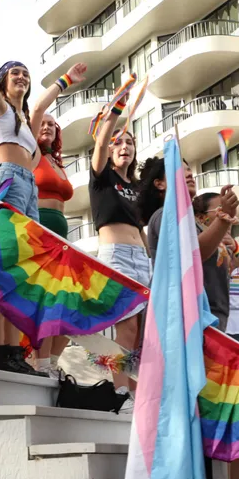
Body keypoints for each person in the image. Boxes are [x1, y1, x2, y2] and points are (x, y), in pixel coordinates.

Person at [0, 0, 86, 374]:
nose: (21, 76)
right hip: (9, 180)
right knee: (5, 266)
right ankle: (1, 350)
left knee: (25, 271)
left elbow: (39, 107)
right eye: (15, 73)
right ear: (3, 83)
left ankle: (15, 350)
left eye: (25, 73)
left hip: (30, 190)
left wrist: (65, 82)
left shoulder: (25, 123)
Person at [89, 92, 149, 398]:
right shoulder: (102, 178)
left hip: (142, 259)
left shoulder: (137, 187)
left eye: (129, 142)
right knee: (126, 328)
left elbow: (142, 227)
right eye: (118, 142)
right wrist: (116, 110)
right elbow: (100, 144)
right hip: (116, 257)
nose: (124, 146)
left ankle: (136, 393)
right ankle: (120, 391)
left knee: (140, 332)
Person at [140, 159, 239, 331]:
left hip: (210, 320)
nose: (188, 173)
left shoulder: (197, 225)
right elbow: (191, 254)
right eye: (179, 169)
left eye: (188, 169)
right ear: (160, 184)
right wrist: (224, 218)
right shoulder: (164, 215)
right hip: (181, 322)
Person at [32, 114, 73, 376]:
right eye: (42, 123)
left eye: (51, 124)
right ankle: (42, 363)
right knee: (47, 297)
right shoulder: (30, 152)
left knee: (69, 300)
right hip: (40, 228)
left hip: (62, 236)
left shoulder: (56, 162)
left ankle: (52, 361)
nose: (46, 127)